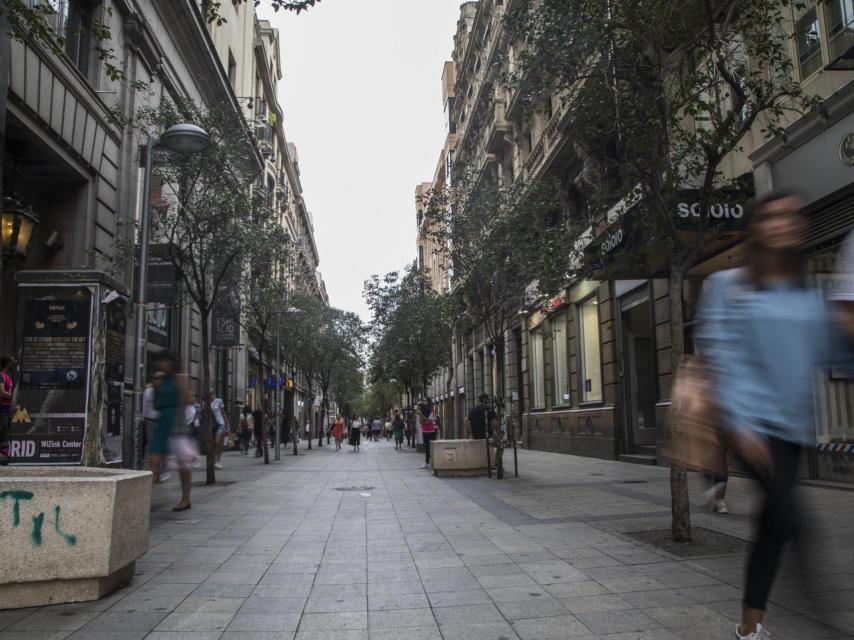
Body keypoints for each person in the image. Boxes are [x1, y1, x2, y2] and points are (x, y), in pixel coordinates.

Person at [696, 191, 853, 640]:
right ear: (756, 227)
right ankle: (818, 618)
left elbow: (834, 354)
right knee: (787, 518)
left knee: (775, 524)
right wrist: (740, 425)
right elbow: (720, 357)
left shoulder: (809, 296)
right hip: (748, 424)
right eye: (772, 216)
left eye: (792, 216)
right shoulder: (727, 286)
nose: (784, 223)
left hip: (792, 427)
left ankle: (750, 625)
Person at [0, 356, 15, 461]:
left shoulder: (7, 377)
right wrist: (11, 396)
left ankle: (4, 452)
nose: (13, 365)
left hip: (7, 408)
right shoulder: (1, 376)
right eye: (12, 363)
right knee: (2, 429)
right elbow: (1, 393)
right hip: (1, 407)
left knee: (6, 430)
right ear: (8, 364)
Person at [419, 397, 438, 469]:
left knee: (432, 446)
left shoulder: (431, 411)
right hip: (425, 430)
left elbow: (428, 422)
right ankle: (427, 462)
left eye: (425, 400)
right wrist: (424, 419)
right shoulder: (422, 410)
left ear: (428, 401)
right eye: (423, 400)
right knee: (426, 446)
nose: (424, 402)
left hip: (432, 430)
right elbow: (421, 421)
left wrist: (422, 416)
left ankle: (433, 461)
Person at [210, 396, 228, 469]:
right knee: (213, 444)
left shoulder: (219, 401)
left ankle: (218, 461)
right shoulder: (206, 402)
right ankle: (214, 461)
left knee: (217, 442)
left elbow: (223, 412)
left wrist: (227, 424)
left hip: (220, 424)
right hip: (211, 426)